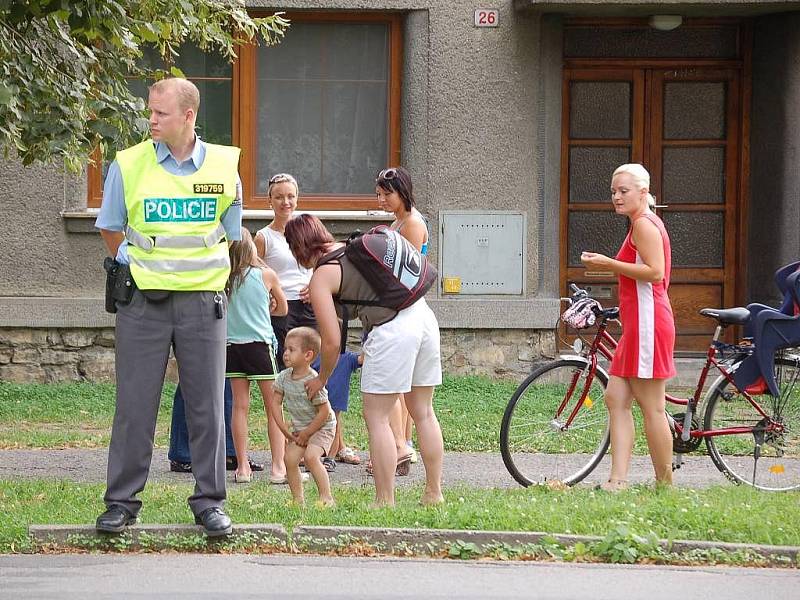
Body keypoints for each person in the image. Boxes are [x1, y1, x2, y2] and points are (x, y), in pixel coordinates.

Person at [95, 77, 240, 537]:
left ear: (188, 116)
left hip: (203, 303)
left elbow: (231, 234)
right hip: (143, 302)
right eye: (150, 112)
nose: (151, 120)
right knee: (134, 406)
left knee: (206, 406)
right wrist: (136, 266)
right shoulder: (128, 164)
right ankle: (121, 502)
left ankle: (210, 503)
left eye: (160, 113)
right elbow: (111, 228)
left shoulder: (223, 166)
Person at [285, 214, 444, 507]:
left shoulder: (322, 275)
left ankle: (385, 500)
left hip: (392, 329)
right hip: (423, 316)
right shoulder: (354, 246)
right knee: (422, 411)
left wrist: (322, 378)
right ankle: (433, 493)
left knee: (377, 417)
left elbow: (330, 342)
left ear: (298, 249)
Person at [580, 163, 676, 491]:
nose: (617, 197)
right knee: (615, 398)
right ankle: (617, 481)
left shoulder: (644, 225)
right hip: (638, 325)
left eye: (624, 191)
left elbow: (655, 273)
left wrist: (608, 262)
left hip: (649, 326)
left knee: (653, 408)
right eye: (613, 192)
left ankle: (665, 485)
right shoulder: (639, 223)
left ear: (643, 192)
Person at [254, 172, 316, 482]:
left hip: (309, 308)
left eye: (290, 196)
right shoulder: (264, 237)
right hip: (281, 312)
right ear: (270, 201)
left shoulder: (306, 229)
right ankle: (282, 461)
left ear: (297, 198)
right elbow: (254, 271)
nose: (286, 202)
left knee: (314, 381)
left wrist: (315, 284)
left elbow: (322, 260)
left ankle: (312, 454)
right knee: (286, 381)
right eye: (279, 196)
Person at [376, 166, 430, 467]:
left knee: (393, 383)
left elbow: (406, 269)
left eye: (387, 195)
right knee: (403, 384)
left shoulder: (410, 223)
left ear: (402, 193)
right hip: (401, 306)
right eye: (379, 195)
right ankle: (403, 444)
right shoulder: (400, 220)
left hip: (401, 307)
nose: (381, 200)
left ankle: (398, 446)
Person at [225, 229, 288, 483]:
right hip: (260, 346)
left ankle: (242, 467)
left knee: (240, 406)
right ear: (251, 248)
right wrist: (269, 306)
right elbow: (282, 308)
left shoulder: (224, 278)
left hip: (231, 347)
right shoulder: (266, 275)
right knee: (273, 407)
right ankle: (278, 467)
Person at [269, 327, 337, 506]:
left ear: (308, 355)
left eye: (291, 350)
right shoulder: (283, 377)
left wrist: (307, 433)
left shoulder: (313, 380)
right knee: (290, 459)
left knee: (311, 457)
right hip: (301, 429)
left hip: (322, 427)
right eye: (285, 349)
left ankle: (326, 497)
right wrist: (284, 429)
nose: (286, 354)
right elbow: (275, 403)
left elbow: (324, 412)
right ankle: (298, 500)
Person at [313, 350, 364, 467]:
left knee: (332, 425)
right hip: (319, 398)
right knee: (329, 426)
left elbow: (361, 359)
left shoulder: (345, 357)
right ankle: (323, 456)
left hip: (330, 400)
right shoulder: (345, 357)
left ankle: (330, 457)